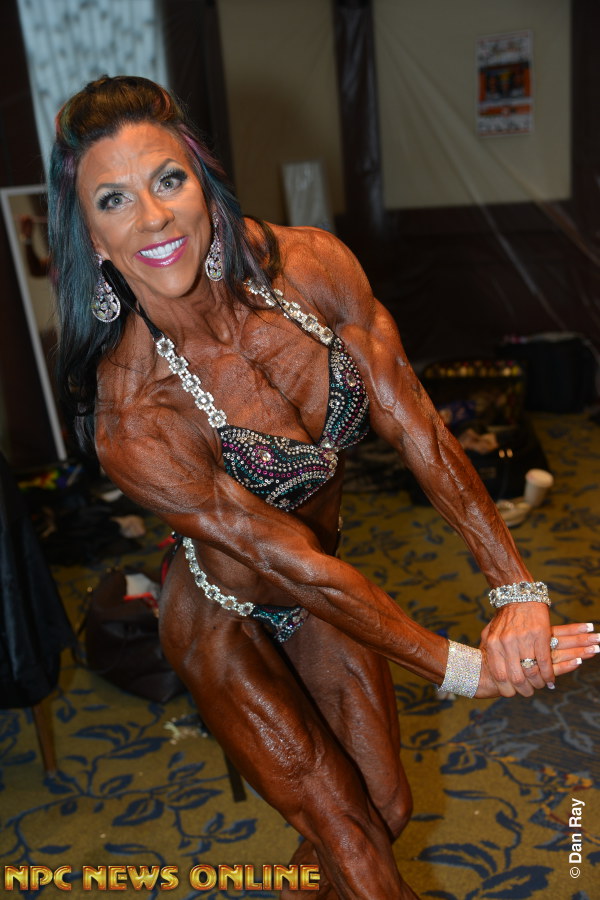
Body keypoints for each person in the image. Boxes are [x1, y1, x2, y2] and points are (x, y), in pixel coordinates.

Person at [48, 76, 597, 900]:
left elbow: (416, 425)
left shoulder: (309, 268)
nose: (153, 218)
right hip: (222, 617)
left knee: (385, 810)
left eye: (168, 180)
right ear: (92, 236)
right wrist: (462, 669)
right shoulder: (134, 417)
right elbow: (290, 563)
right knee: (352, 840)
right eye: (114, 200)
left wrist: (512, 586)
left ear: (203, 180)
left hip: (322, 592)